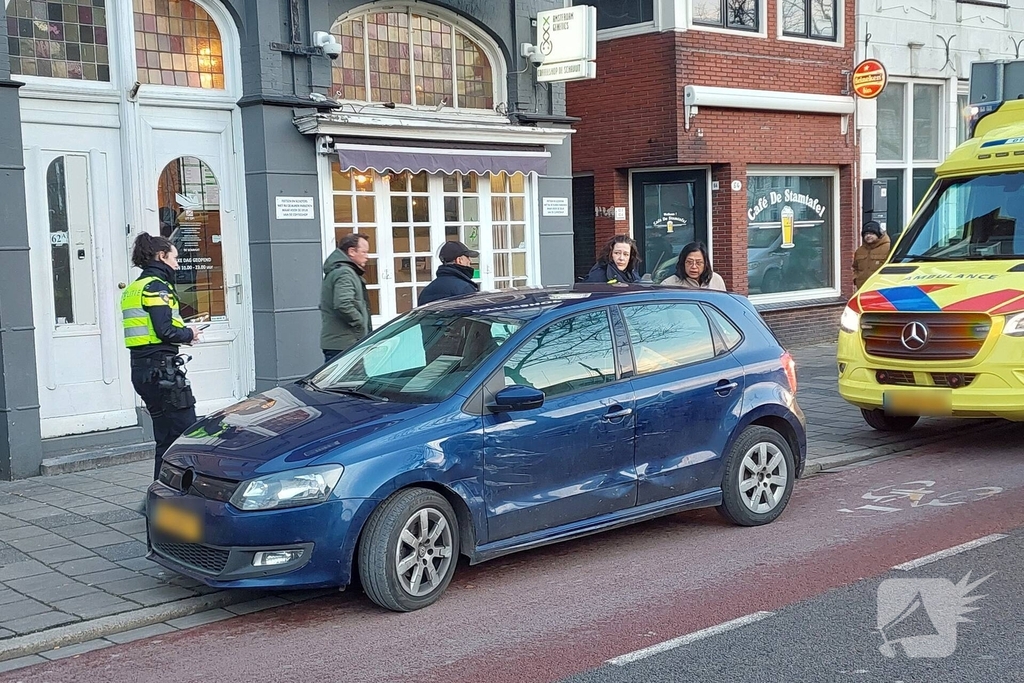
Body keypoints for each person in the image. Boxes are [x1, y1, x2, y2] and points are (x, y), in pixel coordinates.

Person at [121, 233, 201, 480]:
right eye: (175, 257)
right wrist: (190, 332)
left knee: (165, 439)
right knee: (188, 438)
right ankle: (190, 498)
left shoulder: (134, 288)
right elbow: (164, 329)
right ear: (161, 256)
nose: (177, 263)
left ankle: (158, 497)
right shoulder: (156, 286)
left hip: (143, 371)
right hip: (163, 373)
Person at [320, 233, 372, 364]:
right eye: (364, 252)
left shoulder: (340, 271)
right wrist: (360, 324)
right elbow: (343, 304)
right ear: (352, 251)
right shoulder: (345, 273)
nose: (367, 256)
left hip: (340, 343)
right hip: (345, 344)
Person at [418, 240, 480, 305]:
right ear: (459, 260)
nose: (470, 261)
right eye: (467, 257)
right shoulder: (465, 288)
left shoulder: (427, 291)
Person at [660, 241, 727, 290]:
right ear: (683, 263)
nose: (694, 267)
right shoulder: (668, 285)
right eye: (689, 262)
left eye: (698, 263)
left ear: (705, 264)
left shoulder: (716, 280)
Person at [853, 221, 891, 289]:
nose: (868, 236)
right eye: (866, 234)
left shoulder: (888, 248)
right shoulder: (859, 251)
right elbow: (855, 267)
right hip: (862, 288)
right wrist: (856, 279)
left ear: (878, 234)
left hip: (881, 289)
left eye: (872, 233)